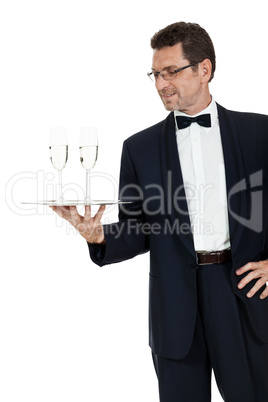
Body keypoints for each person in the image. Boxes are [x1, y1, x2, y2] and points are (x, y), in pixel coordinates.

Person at [50, 22, 268, 401]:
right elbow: (139, 228)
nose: (161, 83)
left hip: (243, 295)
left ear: (204, 69)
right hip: (174, 303)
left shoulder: (259, 133)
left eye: (171, 72)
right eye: (155, 74)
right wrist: (100, 235)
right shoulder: (140, 148)